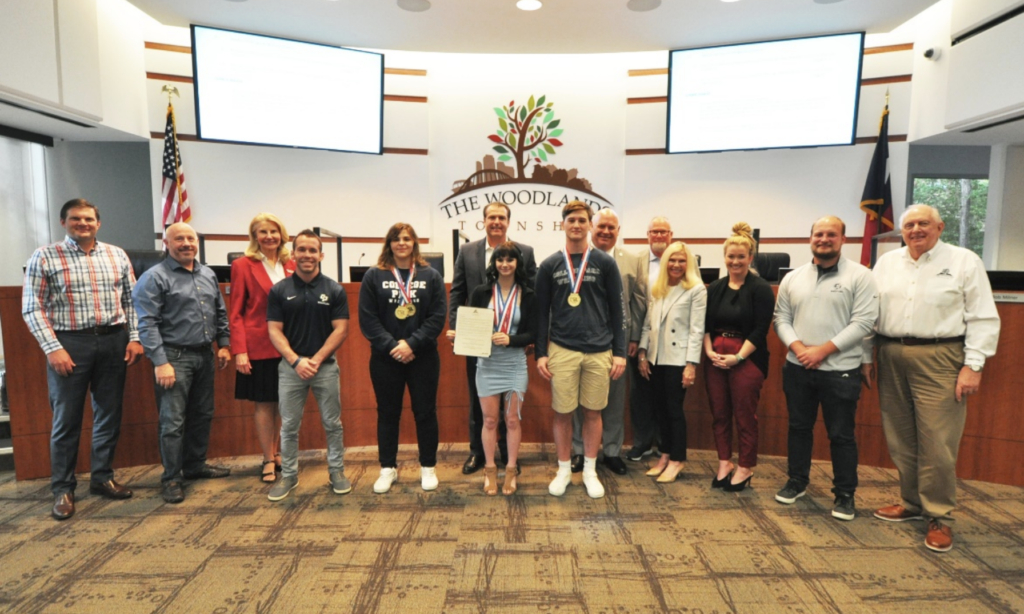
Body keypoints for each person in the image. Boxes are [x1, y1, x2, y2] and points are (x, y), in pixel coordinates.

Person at [866, 204, 999, 552]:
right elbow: (870, 311)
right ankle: (911, 503)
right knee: (901, 436)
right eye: (909, 225)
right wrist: (867, 355)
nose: (915, 230)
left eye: (923, 223)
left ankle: (939, 514)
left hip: (941, 356)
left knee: (937, 440)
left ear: (940, 227)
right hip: (891, 352)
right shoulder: (888, 263)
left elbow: (983, 317)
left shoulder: (964, 261)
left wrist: (974, 365)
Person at [22, 198, 144, 520]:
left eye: (89, 219)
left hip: (113, 340)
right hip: (70, 343)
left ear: (98, 223)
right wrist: (53, 348)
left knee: (109, 414)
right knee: (67, 419)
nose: (83, 223)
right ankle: (63, 488)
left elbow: (133, 301)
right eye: (76, 219)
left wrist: (134, 337)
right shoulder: (45, 256)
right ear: (64, 222)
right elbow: (31, 306)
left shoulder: (116, 254)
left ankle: (102, 478)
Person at [773, 216, 878, 520]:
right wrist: (799, 349)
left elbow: (863, 323)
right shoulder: (794, 277)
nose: (824, 239)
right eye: (819, 234)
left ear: (843, 239)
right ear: (810, 238)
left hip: (840, 371)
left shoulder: (861, 276)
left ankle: (845, 495)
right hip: (797, 367)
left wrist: (822, 351)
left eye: (831, 234)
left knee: (841, 435)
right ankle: (797, 481)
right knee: (798, 428)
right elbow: (781, 319)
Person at [133, 222, 232, 504]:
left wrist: (224, 345)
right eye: (179, 239)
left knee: (202, 413)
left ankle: (195, 466)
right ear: (167, 243)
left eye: (190, 238)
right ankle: (172, 478)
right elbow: (147, 324)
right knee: (172, 422)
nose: (186, 243)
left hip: (205, 355)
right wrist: (160, 361)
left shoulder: (208, 274)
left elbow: (219, 312)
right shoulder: (154, 277)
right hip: (174, 357)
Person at [535, 201, 627, 499]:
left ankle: (589, 469)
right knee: (562, 413)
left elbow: (618, 311)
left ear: (590, 225)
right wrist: (540, 353)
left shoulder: (605, 263)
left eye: (582, 220)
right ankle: (564, 469)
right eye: (571, 219)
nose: (576, 224)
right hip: (562, 349)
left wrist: (621, 352)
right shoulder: (550, 264)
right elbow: (540, 313)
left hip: (600, 350)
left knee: (593, 412)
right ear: (563, 224)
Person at [449, 202, 536, 476]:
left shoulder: (526, 252)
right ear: (483, 221)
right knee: (480, 404)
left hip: (513, 346)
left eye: (501, 217)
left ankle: (507, 456)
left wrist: (525, 339)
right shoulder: (467, 251)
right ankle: (478, 453)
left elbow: (532, 294)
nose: (496, 222)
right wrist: (457, 330)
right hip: (477, 344)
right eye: (491, 217)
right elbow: (457, 293)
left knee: (510, 414)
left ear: (508, 222)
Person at [360, 222, 447, 494]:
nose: (401, 243)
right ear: (389, 244)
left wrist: (411, 344)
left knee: (425, 412)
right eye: (396, 239)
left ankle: (428, 468)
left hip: (422, 357)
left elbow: (437, 317)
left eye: (407, 238)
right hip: (386, 358)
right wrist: (393, 346)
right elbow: (368, 319)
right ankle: (387, 469)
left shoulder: (430, 275)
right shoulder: (374, 276)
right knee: (387, 413)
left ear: (414, 243)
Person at [265, 230, 351, 501]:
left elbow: (341, 329)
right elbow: (274, 330)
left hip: (324, 368)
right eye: (301, 249)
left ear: (321, 255)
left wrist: (315, 360)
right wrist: (295, 360)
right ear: (293, 254)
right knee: (289, 425)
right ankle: (289, 476)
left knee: (332, 423)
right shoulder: (280, 290)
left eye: (313, 250)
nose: (307, 255)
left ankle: (336, 471)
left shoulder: (333, 289)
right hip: (291, 369)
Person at [570, 208, 646, 475]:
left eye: (611, 228)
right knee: (582, 399)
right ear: (592, 227)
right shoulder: (578, 257)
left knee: (614, 399)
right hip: (584, 338)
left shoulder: (633, 260)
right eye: (601, 226)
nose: (605, 232)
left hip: (617, 340)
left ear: (618, 231)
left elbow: (638, 301)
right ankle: (579, 450)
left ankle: (612, 451)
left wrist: (633, 338)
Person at [703, 222, 774, 492]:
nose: (735, 261)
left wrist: (738, 358)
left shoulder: (760, 288)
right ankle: (724, 462)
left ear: (750, 258)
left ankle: (745, 466)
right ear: (725, 258)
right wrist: (709, 351)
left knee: (744, 416)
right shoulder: (716, 288)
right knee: (719, 414)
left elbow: (760, 330)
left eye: (741, 257)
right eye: (731, 257)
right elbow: (706, 324)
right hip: (715, 358)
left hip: (747, 359)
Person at [229, 213, 296, 483]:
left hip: (290, 346)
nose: (269, 236)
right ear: (254, 236)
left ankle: (277, 452)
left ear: (282, 234)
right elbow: (235, 312)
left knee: (283, 402)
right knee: (265, 402)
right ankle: (268, 458)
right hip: (259, 346)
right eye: (263, 232)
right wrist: (240, 350)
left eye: (274, 231)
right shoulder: (243, 265)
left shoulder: (291, 263)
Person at [637, 242, 706, 482]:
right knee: (660, 410)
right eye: (672, 260)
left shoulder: (696, 289)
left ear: (689, 263)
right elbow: (647, 324)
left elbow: (697, 330)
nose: (676, 265)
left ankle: (677, 459)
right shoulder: (658, 287)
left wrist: (691, 365)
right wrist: (643, 354)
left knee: (674, 411)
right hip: (656, 357)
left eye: (681, 260)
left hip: (678, 360)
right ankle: (665, 455)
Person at [627, 217, 672, 461]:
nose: (658, 236)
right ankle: (643, 442)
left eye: (663, 232)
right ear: (647, 234)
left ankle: (665, 443)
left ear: (670, 234)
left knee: (666, 392)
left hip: (671, 339)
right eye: (654, 231)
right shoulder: (636, 261)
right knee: (640, 392)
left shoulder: (680, 259)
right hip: (641, 337)